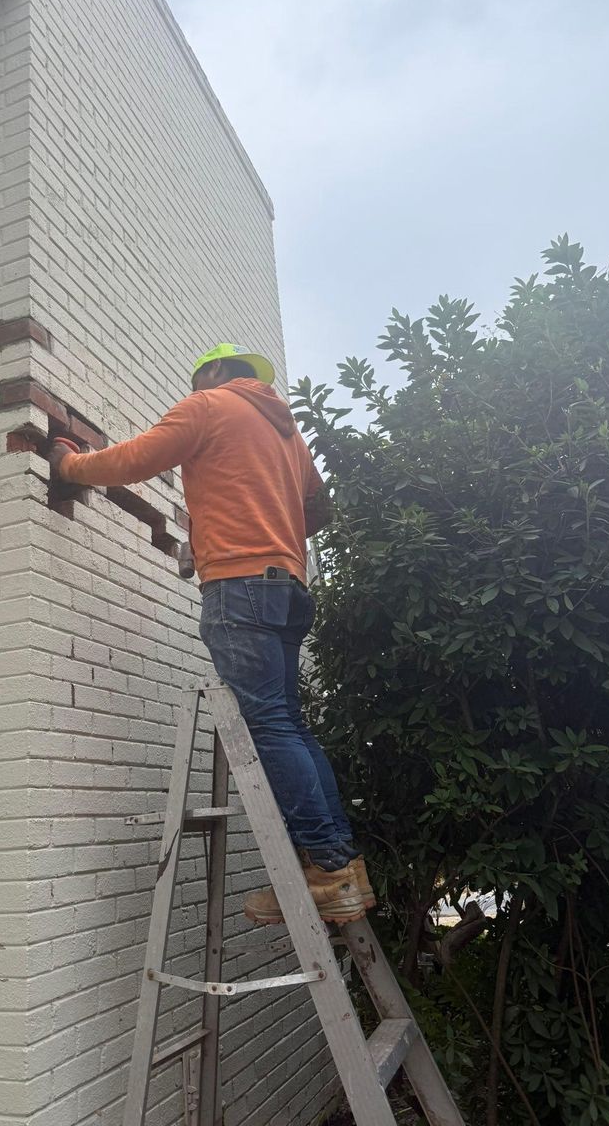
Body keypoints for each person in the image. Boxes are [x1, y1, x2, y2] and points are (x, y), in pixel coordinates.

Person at [48, 343, 374, 924]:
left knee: (271, 725)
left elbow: (139, 458)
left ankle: (327, 868)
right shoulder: (288, 435)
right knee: (289, 724)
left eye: (199, 376)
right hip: (289, 587)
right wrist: (260, 520)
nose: (195, 386)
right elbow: (319, 510)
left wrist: (70, 465)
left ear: (216, 372)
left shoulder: (209, 404)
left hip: (241, 586)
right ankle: (343, 866)